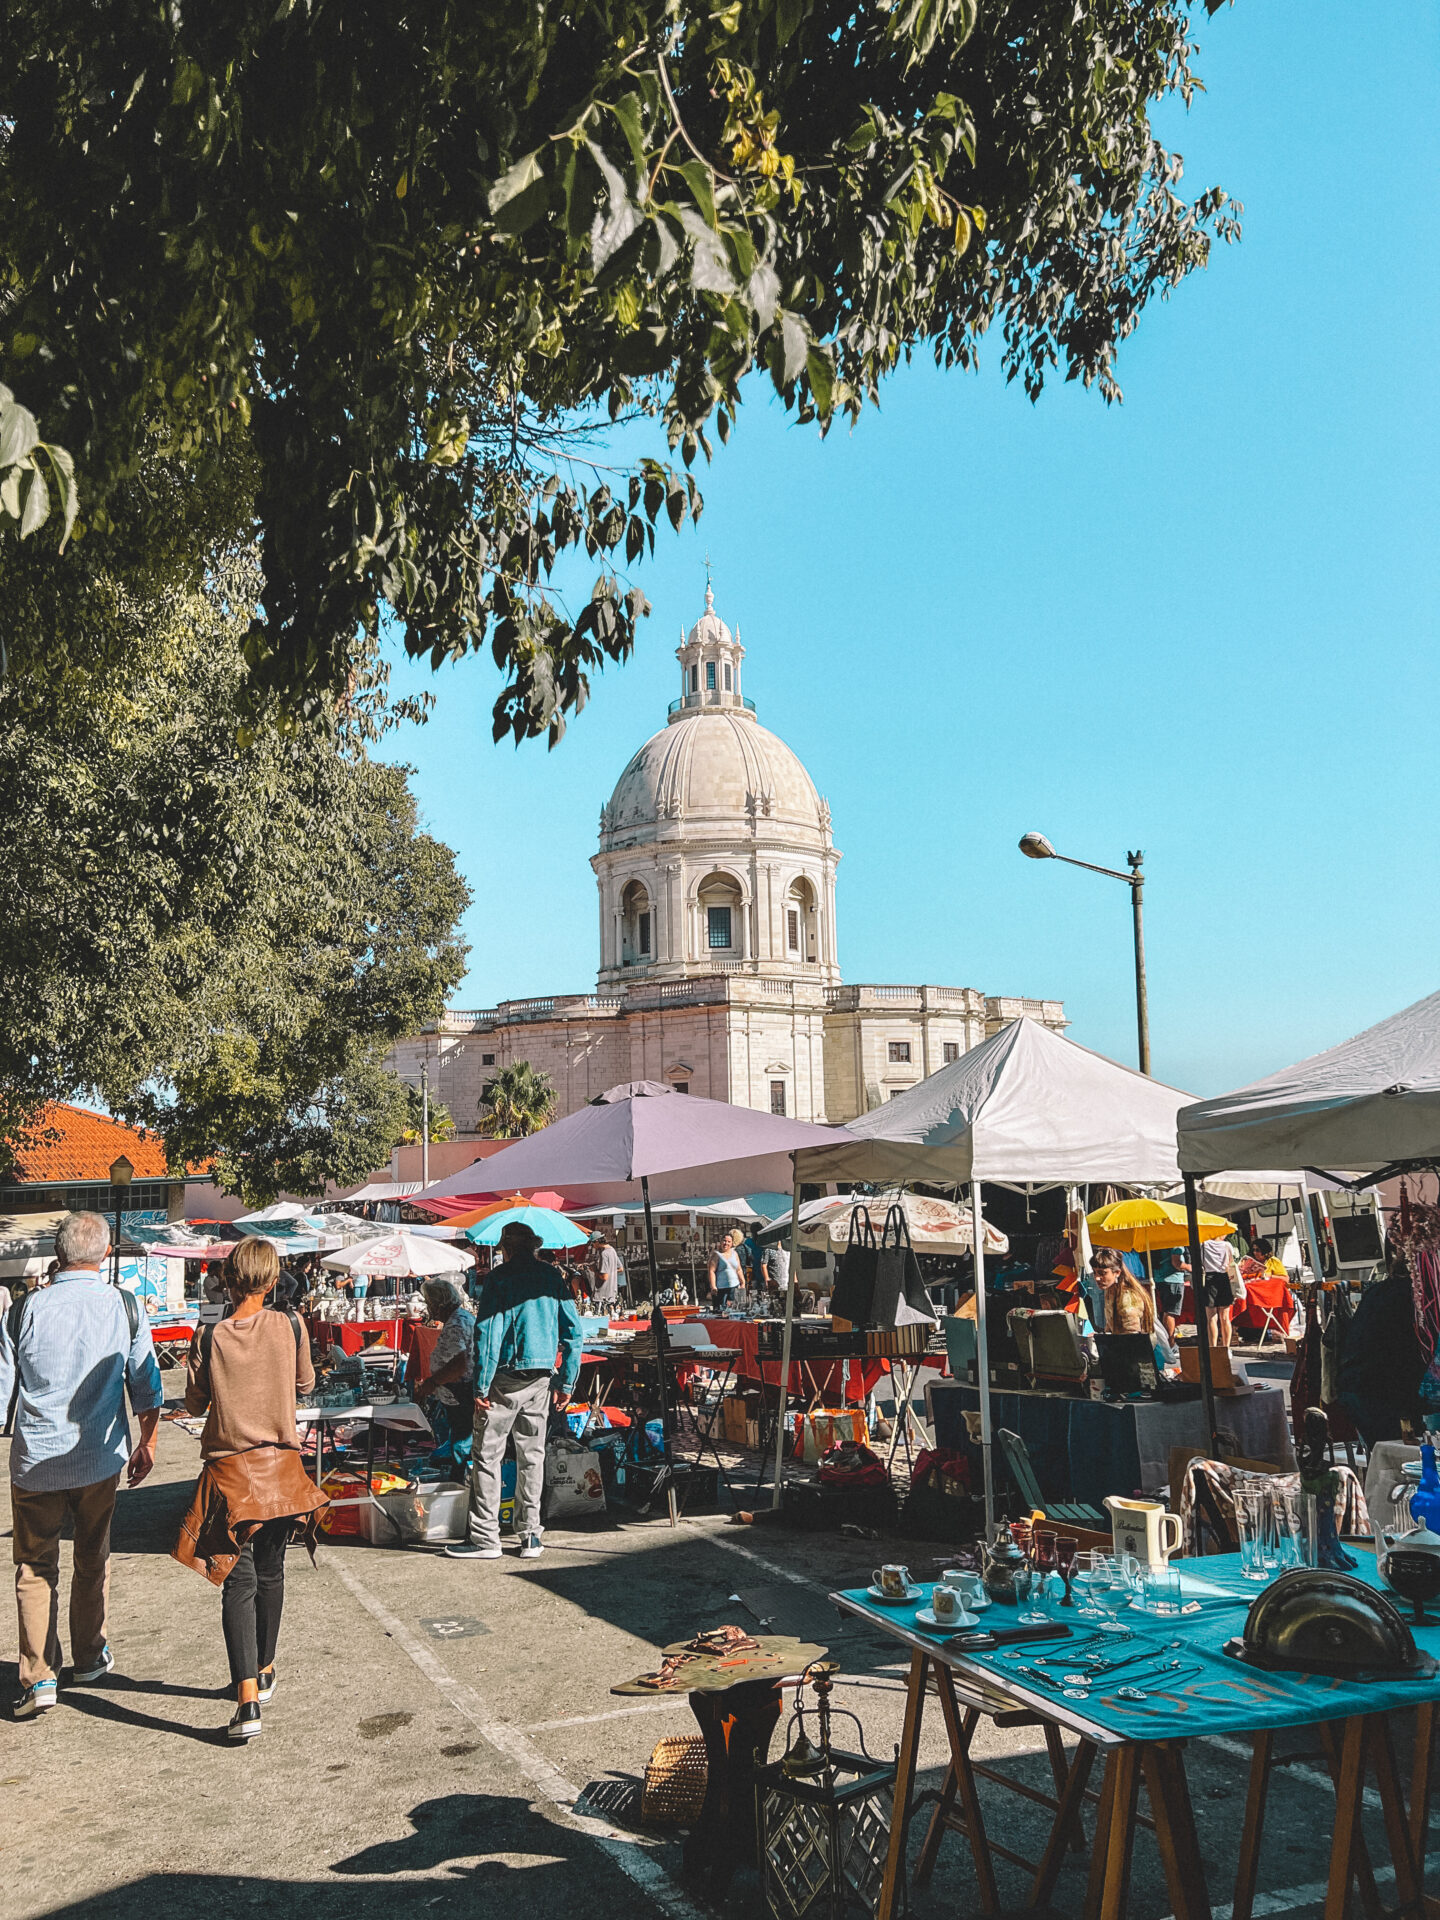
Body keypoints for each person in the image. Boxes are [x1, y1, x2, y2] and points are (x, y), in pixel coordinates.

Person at [0, 1211, 162, 1720]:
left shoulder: (23, 1311)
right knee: (92, 1556)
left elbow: (2, 1392)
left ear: (58, 1252)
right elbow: (147, 1385)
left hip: (37, 1460)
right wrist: (148, 1443)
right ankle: (89, 1656)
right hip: (98, 1456)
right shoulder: (124, 1306)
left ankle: (40, 1674)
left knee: (34, 1565)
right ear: (105, 1254)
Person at [173, 1238, 324, 1742]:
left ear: (229, 1279)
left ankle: (247, 1702)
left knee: (238, 1583)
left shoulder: (211, 1335)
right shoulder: (290, 1326)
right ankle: (264, 1668)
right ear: (274, 1278)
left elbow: (195, 1404)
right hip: (281, 1467)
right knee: (272, 1572)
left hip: (231, 1475)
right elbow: (305, 1385)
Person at [447, 1221, 582, 1562]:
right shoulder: (552, 1276)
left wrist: (480, 1383)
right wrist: (567, 1381)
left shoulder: (500, 1278)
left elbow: (489, 1333)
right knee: (531, 1456)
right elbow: (574, 1333)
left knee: (488, 1457)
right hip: (540, 1377)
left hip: (505, 1377)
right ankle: (531, 1535)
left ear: (505, 1248)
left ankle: (485, 1537)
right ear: (534, 1246)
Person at [1337, 1244, 1427, 1447]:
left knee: (1394, 1458)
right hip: (1382, 1393)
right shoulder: (1414, 1295)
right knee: (1406, 1458)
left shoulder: (1382, 1290)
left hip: (1363, 1388)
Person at [410, 1277, 477, 1468]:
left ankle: (459, 1484)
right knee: (458, 1440)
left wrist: (431, 1383)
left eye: (429, 1303)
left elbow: (458, 1364)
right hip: (457, 1393)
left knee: (461, 1445)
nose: (428, 1308)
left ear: (438, 1304)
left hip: (460, 1393)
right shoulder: (461, 1318)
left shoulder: (457, 1323)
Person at [1199, 1233, 1240, 1350]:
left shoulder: (1203, 1245)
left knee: (1211, 1317)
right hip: (1224, 1278)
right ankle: (1226, 1348)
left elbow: (1201, 1263)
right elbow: (1231, 1263)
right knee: (1225, 1317)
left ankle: (1213, 1348)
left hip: (1209, 1278)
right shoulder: (1227, 1245)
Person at [1152, 1249, 1188, 1343]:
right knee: (1170, 1313)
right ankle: (1170, 1344)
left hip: (1160, 1278)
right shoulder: (1176, 1241)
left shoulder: (1162, 1238)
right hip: (1173, 1279)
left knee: (1165, 1312)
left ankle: (1166, 1342)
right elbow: (1176, 1263)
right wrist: (1190, 1267)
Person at [708, 1231, 744, 1309]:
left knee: (733, 1309)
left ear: (731, 1243)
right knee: (720, 1310)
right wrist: (713, 1286)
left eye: (728, 1242)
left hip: (734, 1287)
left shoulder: (735, 1253)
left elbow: (739, 1269)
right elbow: (712, 1271)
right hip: (721, 1288)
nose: (726, 1243)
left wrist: (743, 1282)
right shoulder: (717, 1255)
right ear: (720, 1242)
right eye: (724, 1241)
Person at [592, 1234, 625, 1314]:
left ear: (597, 1241)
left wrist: (594, 1270)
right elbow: (620, 1268)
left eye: (592, 1243)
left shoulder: (604, 1254)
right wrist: (612, 1271)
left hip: (602, 1296)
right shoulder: (612, 1250)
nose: (592, 1246)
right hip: (611, 1294)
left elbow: (604, 1277)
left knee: (600, 1320)